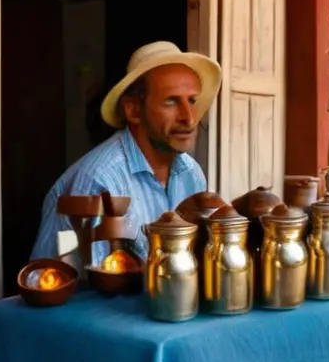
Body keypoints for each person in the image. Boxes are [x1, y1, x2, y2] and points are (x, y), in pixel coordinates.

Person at [30, 41, 221, 264]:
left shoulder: (192, 173)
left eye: (192, 101)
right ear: (132, 110)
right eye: (171, 101)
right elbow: (72, 285)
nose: (189, 118)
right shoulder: (98, 180)